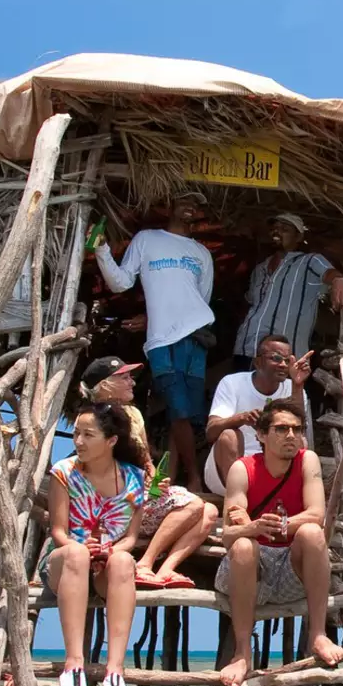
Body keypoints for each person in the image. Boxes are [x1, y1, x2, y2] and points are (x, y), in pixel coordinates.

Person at [214, 396, 343, 686]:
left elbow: (317, 515)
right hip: (249, 571)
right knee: (245, 545)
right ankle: (242, 652)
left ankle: (318, 635)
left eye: (297, 430)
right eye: (282, 429)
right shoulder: (242, 468)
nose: (291, 436)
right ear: (261, 435)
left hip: (291, 569)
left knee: (312, 533)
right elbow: (229, 534)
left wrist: (281, 525)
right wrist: (256, 527)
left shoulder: (306, 460)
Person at [95, 190, 215, 491]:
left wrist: (155, 316)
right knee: (178, 408)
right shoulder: (146, 239)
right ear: (170, 206)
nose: (189, 207)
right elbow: (121, 281)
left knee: (185, 411)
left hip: (195, 334)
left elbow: (200, 300)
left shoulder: (201, 252)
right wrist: (101, 251)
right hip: (161, 339)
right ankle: (195, 477)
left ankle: (172, 478)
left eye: (195, 204)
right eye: (184, 201)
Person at [77, 356, 217, 588]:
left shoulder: (133, 415)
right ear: (105, 385)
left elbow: (145, 460)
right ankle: (145, 563)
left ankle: (165, 570)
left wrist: (155, 479)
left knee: (210, 510)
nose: (131, 382)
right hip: (116, 507)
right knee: (192, 504)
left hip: (142, 498)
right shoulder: (91, 421)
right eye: (123, 377)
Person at [44, 404, 149, 686]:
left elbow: (130, 537)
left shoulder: (135, 478)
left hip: (107, 569)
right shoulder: (63, 472)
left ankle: (115, 669)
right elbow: (58, 532)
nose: (78, 441)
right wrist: (82, 547)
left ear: (111, 440)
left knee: (123, 560)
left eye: (88, 435)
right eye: (76, 433)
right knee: (76, 552)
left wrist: (112, 550)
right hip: (65, 563)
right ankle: (73, 664)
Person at [231, 212, 343, 362]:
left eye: (284, 229)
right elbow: (251, 301)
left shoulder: (309, 262)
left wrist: (338, 280)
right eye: (274, 228)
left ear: (299, 237)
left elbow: (329, 273)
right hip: (248, 348)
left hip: (287, 356)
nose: (277, 231)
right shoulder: (260, 269)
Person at [202, 334, 313, 495]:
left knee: (299, 441)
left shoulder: (295, 387)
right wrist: (241, 418)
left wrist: (297, 385)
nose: (283, 364)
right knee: (228, 436)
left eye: (287, 360)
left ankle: (281, 495)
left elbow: (299, 428)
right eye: (275, 358)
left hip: (273, 464)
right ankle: (240, 500)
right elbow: (211, 432)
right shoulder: (232, 383)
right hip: (230, 471)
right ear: (258, 362)